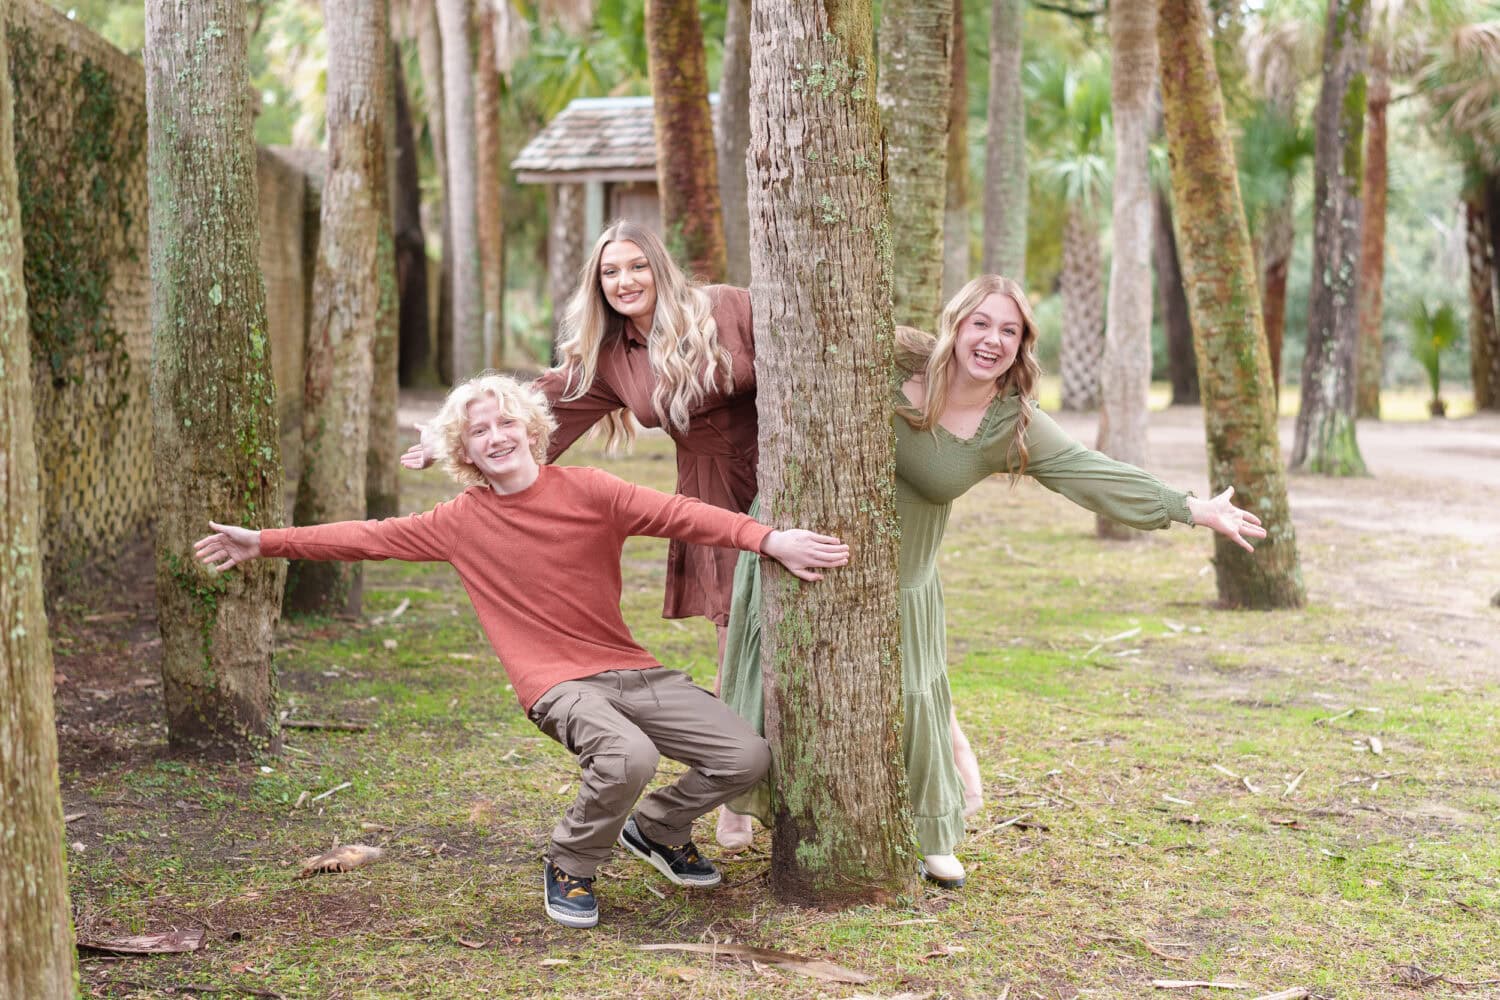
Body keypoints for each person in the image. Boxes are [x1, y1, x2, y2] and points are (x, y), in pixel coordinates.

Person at [402, 220, 989, 849]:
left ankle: (951, 744)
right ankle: (735, 799)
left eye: (636, 266)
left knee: (870, 611)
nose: (625, 281)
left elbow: (830, 332)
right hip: (710, 490)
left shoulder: (727, 309)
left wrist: (960, 361)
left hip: (791, 471)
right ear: (597, 285)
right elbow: (539, 407)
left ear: (659, 267)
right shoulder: (612, 356)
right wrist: (444, 440)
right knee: (735, 639)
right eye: (610, 272)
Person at [198, 374, 849, 929]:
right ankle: (572, 863)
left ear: (533, 431)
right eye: (479, 432)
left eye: (506, 422)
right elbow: (363, 537)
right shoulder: (458, 521)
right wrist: (263, 540)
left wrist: (769, 540)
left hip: (629, 665)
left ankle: (656, 826)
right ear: (466, 453)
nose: (496, 436)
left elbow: (684, 514)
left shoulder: (592, 489)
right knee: (628, 755)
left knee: (746, 755)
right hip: (554, 681)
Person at [719, 275, 1266, 889]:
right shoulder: (890, 355)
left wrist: (1190, 507)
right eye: (982, 323)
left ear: (1023, 345)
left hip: (903, 584)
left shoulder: (1009, 422)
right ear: (956, 323)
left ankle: (930, 833)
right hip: (798, 553)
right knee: (780, 682)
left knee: (913, 702)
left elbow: (1090, 472)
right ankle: (741, 801)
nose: (993, 340)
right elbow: (781, 324)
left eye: (1010, 330)